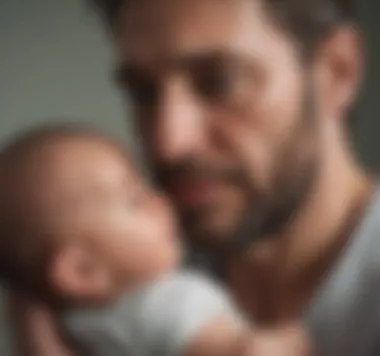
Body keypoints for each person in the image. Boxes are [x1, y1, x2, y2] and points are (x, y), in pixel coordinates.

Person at [8, 0, 380, 355]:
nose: (167, 143)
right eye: (144, 93)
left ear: (338, 70)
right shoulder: (121, 278)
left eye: (221, 82)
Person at [0, 126, 309, 356]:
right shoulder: (168, 302)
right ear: (82, 270)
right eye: (135, 200)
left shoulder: (72, 327)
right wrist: (290, 341)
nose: (160, 200)